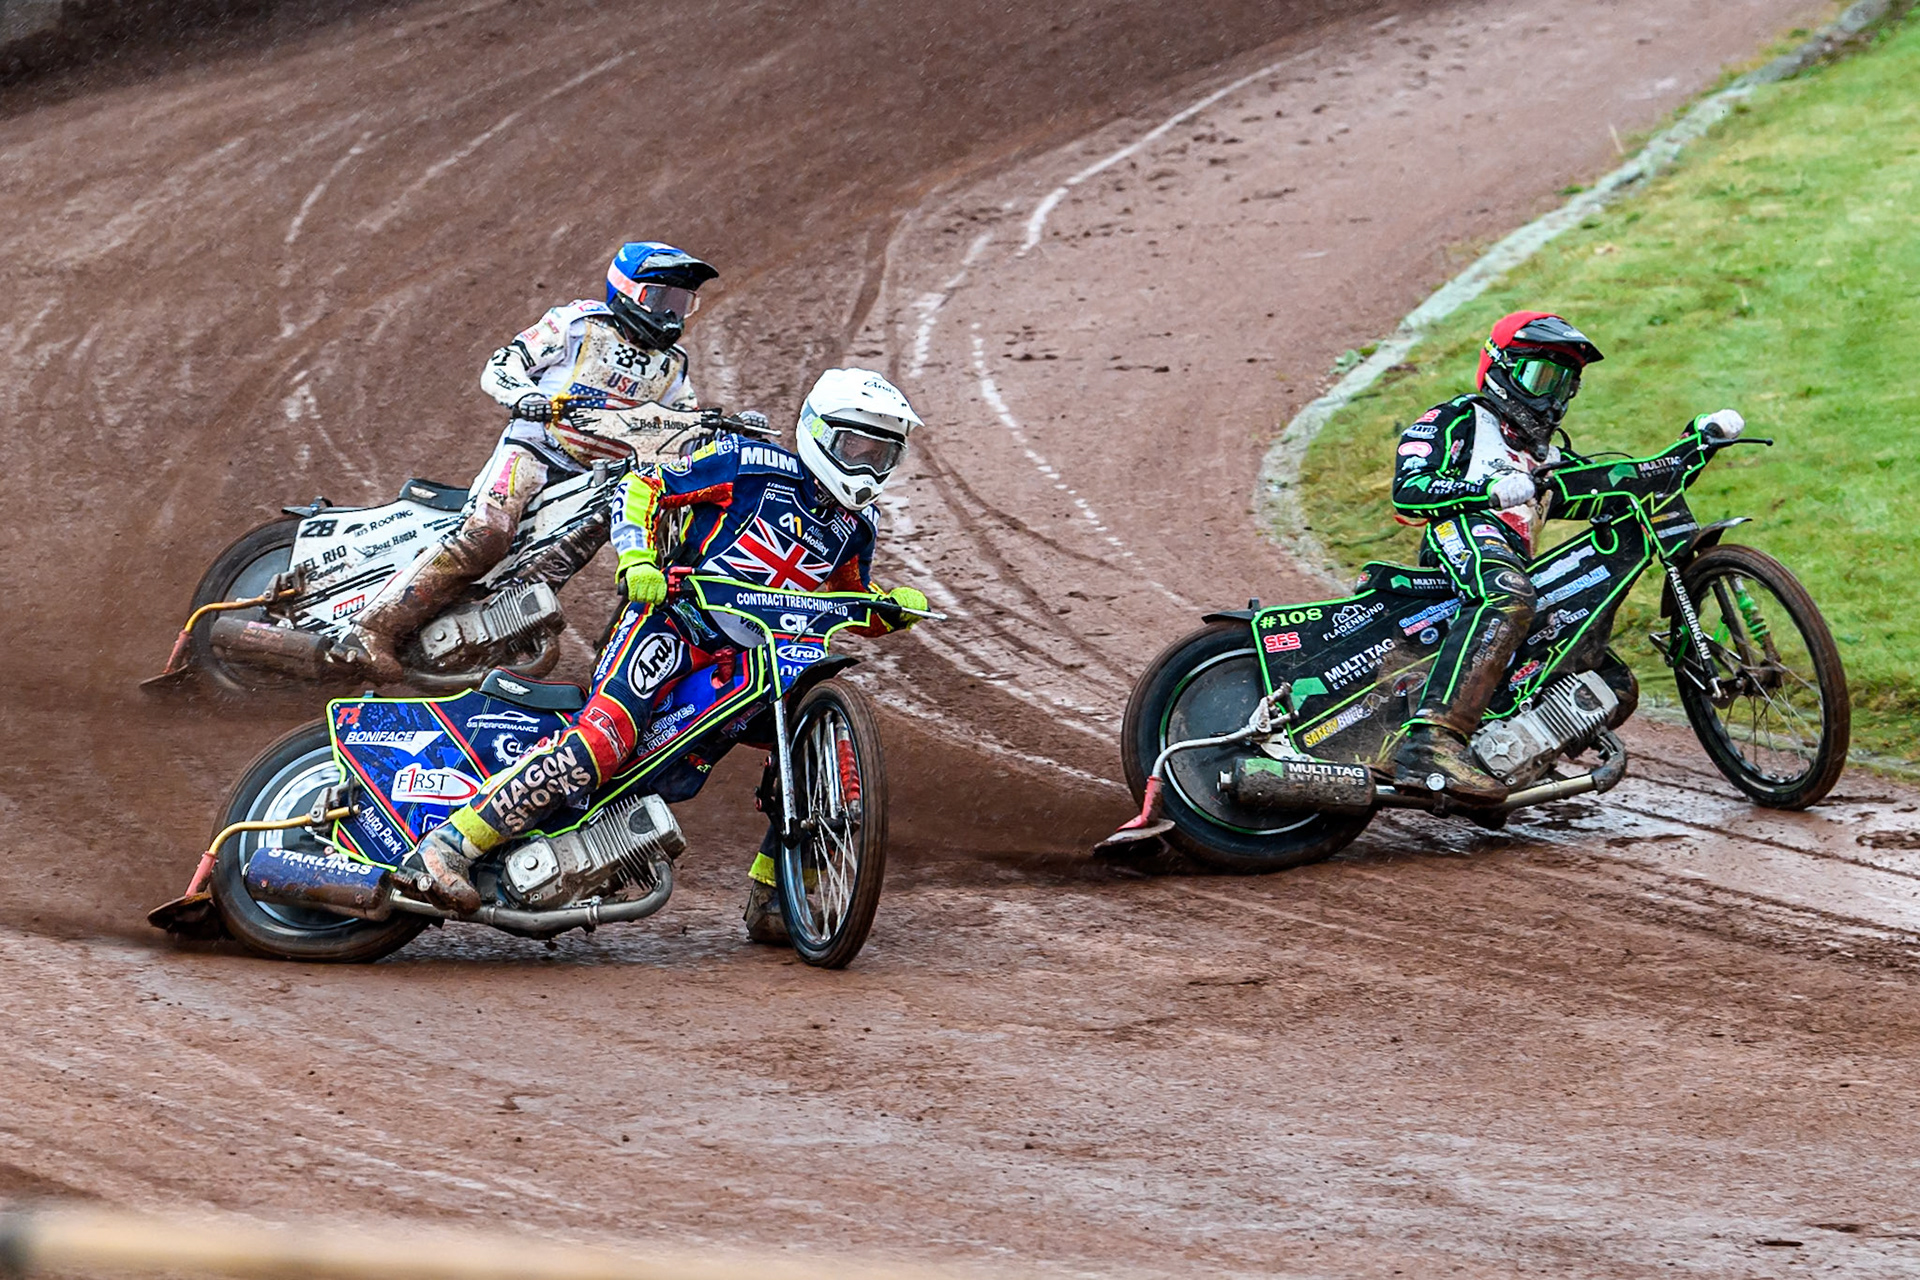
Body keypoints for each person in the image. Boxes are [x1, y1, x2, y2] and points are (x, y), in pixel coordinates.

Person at [403, 367, 931, 943]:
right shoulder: (748, 464)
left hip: (754, 661)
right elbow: (645, 489)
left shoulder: (858, 525)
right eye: (856, 446)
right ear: (817, 432)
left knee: (809, 744)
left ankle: (777, 893)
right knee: (605, 739)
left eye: (882, 453)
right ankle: (451, 844)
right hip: (671, 625)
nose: (866, 465)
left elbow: (848, 594)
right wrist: (637, 561)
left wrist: (886, 609)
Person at [1388, 311, 1744, 802]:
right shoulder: (1457, 419)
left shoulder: (1548, 458)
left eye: (1564, 383)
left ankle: (1506, 764)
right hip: (1461, 541)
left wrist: (1695, 444)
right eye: (1540, 376)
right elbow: (1408, 491)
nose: (1552, 396)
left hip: (1510, 573)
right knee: (1511, 594)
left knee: (1611, 680)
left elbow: (1622, 487)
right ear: (1501, 367)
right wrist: (1487, 491)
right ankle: (1431, 743)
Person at [340, 242, 717, 681]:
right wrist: (526, 396)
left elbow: (684, 419)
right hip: (535, 451)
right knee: (488, 535)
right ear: (627, 292)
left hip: (598, 480)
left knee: (555, 570)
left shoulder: (671, 365)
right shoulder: (577, 325)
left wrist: (717, 431)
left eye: (681, 303)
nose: (671, 314)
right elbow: (503, 364)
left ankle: (494, 643)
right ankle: (371, 629)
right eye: (661, 299)